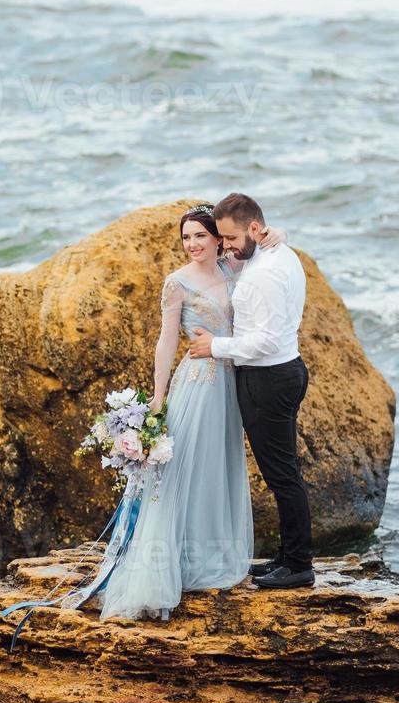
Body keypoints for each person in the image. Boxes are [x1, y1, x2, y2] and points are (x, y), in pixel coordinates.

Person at [44, 205, 283, 622]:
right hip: (197, 382)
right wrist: (157, 398)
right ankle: (175, 563)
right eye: (186, 238)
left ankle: (213, 557)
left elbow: (261, 247)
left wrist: (275, 234)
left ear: (217, 238)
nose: (192, 244)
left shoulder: (233, 269)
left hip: (231, 383)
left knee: (218, 468)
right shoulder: (177, 284)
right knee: (183, 470)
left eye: (200, 236)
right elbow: (165, 342)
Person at [187, 192, 313, 589]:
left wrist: (215, 347)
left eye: (228, 238)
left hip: (269, 377)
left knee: (282, 477)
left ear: (255, 229)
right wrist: (280, 233)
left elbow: (266, 341)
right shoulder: (275, 253)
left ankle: (298, 565)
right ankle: (289, 556)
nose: (224, 246)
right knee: (283, 472)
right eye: (220, 239)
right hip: (278, 374)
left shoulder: (265, 275)